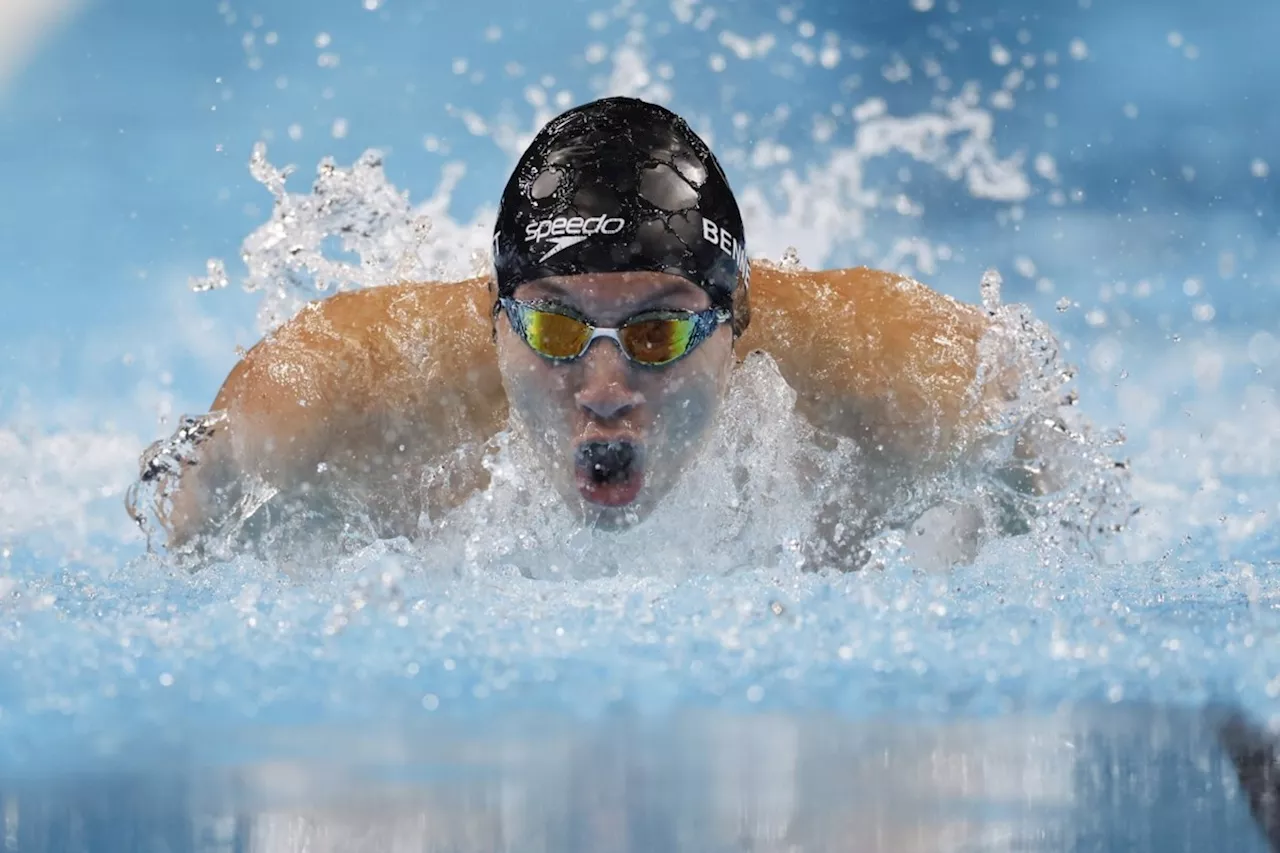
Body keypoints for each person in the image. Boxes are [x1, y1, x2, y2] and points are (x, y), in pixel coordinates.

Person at [133, 96, 1066, 567]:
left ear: (734, 318)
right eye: (551, 326)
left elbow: (1054, 469)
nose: (608, 385)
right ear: (490, 315)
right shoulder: (331, 396)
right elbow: (187, 502)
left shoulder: (906, 379)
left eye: (658, 334)